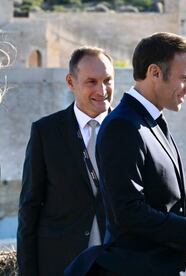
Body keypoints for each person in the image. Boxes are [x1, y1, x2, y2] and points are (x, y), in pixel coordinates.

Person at [65, 32, 186, 276]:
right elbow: (129, 211)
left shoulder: (149, 121)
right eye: (185, 78)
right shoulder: (124, 125)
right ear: (155, 73)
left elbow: (171, 199)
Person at [17, 46, 114, 276]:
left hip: (118, 264)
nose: (102, 90)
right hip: (61, 265)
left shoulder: (130, 130)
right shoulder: (46, 132)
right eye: (91, 81)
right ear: (71, 82)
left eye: (108, 80)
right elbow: (29, 208)